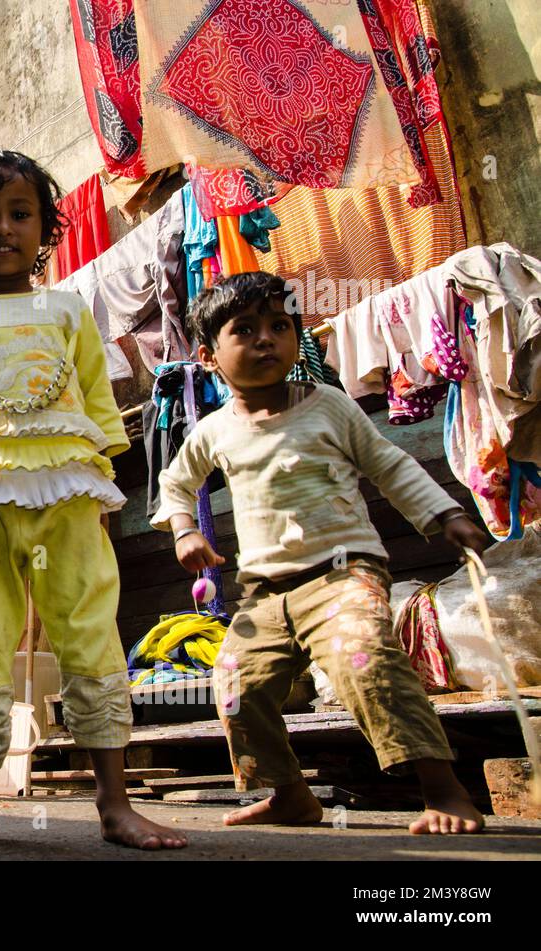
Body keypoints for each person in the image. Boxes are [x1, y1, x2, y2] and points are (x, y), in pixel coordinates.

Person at [0, 150, 187, 851]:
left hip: (70, 498)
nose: (2, 229)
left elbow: (97, 402)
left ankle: (114, 803)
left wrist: (106, 491)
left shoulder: (69, 309)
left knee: (89, 631)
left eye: (20, 214)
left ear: (47, 228)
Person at [151, 271, 490, 835]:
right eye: (246, 329)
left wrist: (446, 514)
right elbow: (176, 483)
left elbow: (389, 462)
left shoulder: (329, 405)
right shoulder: (213, 431)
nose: (266, 339)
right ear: (210, 357)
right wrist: (185, 531)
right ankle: (288, 794)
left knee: (368, 664)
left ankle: (443, 788)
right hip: (263, 594)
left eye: (280, 326)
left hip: (343, 575)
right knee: (235, 683)